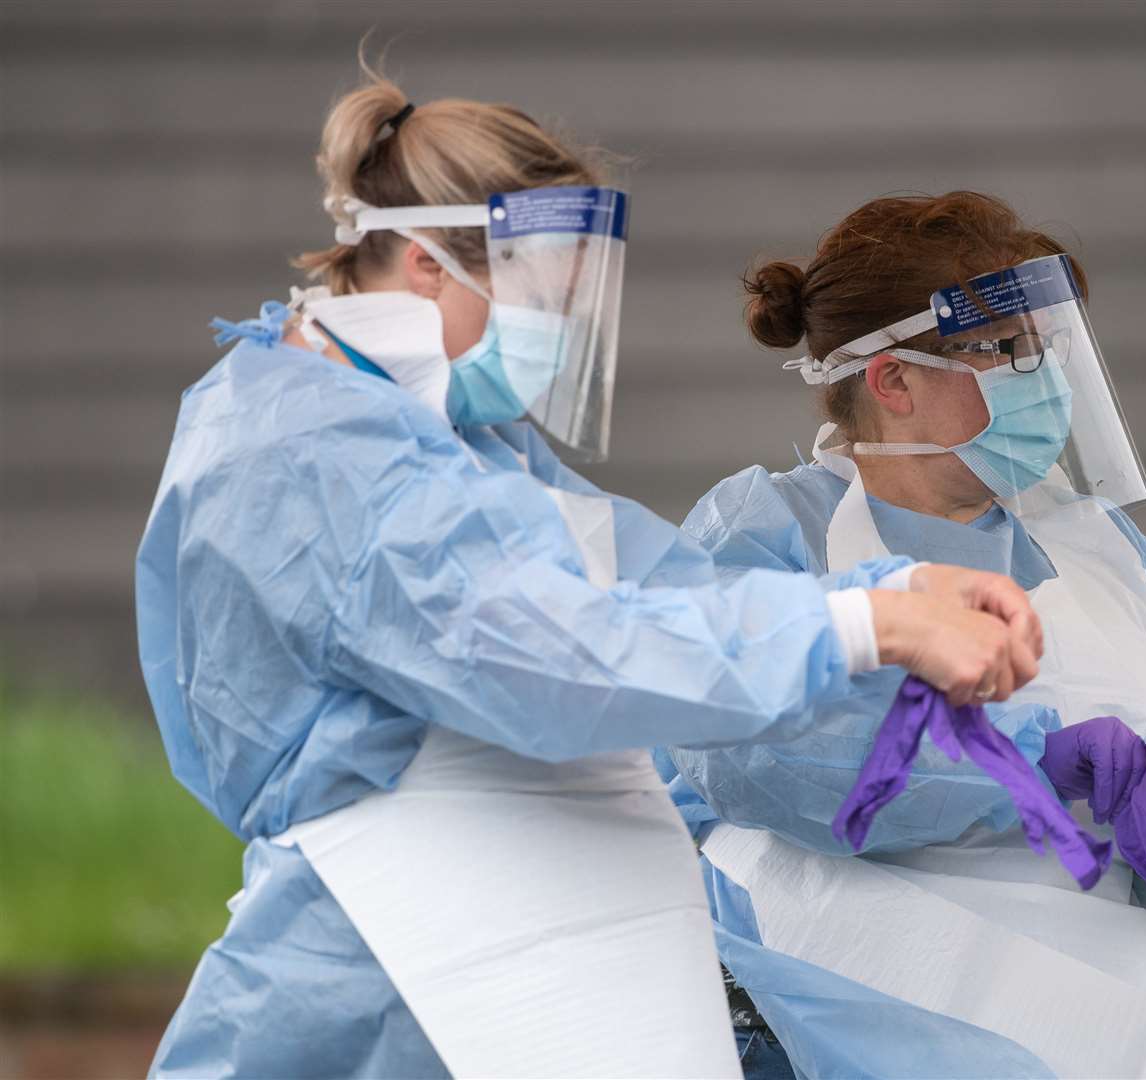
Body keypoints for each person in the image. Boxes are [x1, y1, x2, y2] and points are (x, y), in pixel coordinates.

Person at [135, 72, 1046, 1079]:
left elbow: (643, 590)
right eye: (544, 303)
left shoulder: (447, 438)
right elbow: (566, 657)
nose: (557, 338)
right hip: (391, 928)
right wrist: (863, 626)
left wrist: (883, 595)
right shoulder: (316, 450)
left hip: (499, 916)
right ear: (432, 266)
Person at [663, 192, 1146, 1078]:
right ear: (893, 378)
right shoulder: (767, 532)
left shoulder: (1107, 551)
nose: (1038, 376)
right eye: (997, 349)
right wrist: (1033, 765)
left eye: (1040, 345)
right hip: (837, 1008)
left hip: (1095, 1011)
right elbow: (749, 749)